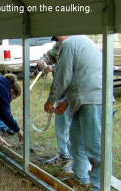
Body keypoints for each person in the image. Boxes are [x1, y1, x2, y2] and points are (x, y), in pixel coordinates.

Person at [43, 35, 104, 191]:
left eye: (57, 38)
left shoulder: (69, 44)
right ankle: (80, 177)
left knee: (95, 147)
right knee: (76, 141)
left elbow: (63, 76)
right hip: (82, 99)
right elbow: (82, 75)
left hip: (93, 100)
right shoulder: (81, 42)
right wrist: (67, 101)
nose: (57, 42)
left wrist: (51, 100)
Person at [38, 41, 73, 172]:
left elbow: (69, 68)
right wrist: (43, 61)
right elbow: (50, 55)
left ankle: (75, 160)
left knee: (72, 128)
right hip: (61, 91)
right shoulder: (59, 45)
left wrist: (53, 68)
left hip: (73, 92)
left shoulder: (73, 45)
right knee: (61, 124)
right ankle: (63, 154)